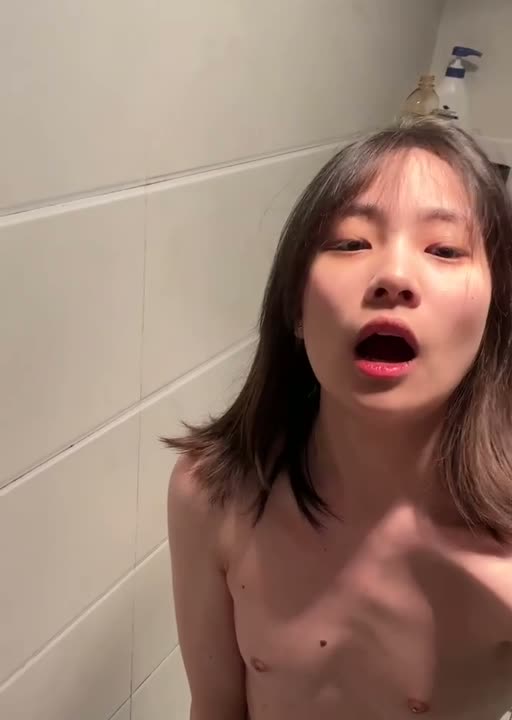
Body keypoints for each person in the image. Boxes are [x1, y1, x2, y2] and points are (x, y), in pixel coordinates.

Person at [165, 116, 512, 720]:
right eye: (351, 243)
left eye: (444, 250)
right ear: (295, 309)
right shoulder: (212, 497)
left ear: (492, 317)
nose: (394, 277)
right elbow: (215, 706)